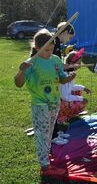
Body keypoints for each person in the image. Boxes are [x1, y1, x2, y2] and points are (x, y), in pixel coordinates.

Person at [14, 29, 76, 175]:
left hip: (54, 102)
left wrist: (69, 78)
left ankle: (46, 156)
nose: (50, 52)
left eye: (52, 49)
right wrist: (22, 71)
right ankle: (45, 166)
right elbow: (18, 83)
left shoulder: (55, 60)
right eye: (46, 50)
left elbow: (61, 77)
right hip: (40, 103)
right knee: (42, 134)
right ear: (36, 48)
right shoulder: (31, 63)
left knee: (49, 133)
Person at [57, 50, 91, 129]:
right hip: (61, 100)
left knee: (78, 92)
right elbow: (64, 96)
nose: (80, 65)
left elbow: (71, 86)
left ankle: (69, 114)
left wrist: (83, 88)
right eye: (78, 63)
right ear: (72, 63)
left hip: (64, 97)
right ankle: (61, 116)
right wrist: (81, 98)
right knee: (80, 101)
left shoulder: (70, 72)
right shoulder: (65, 75)